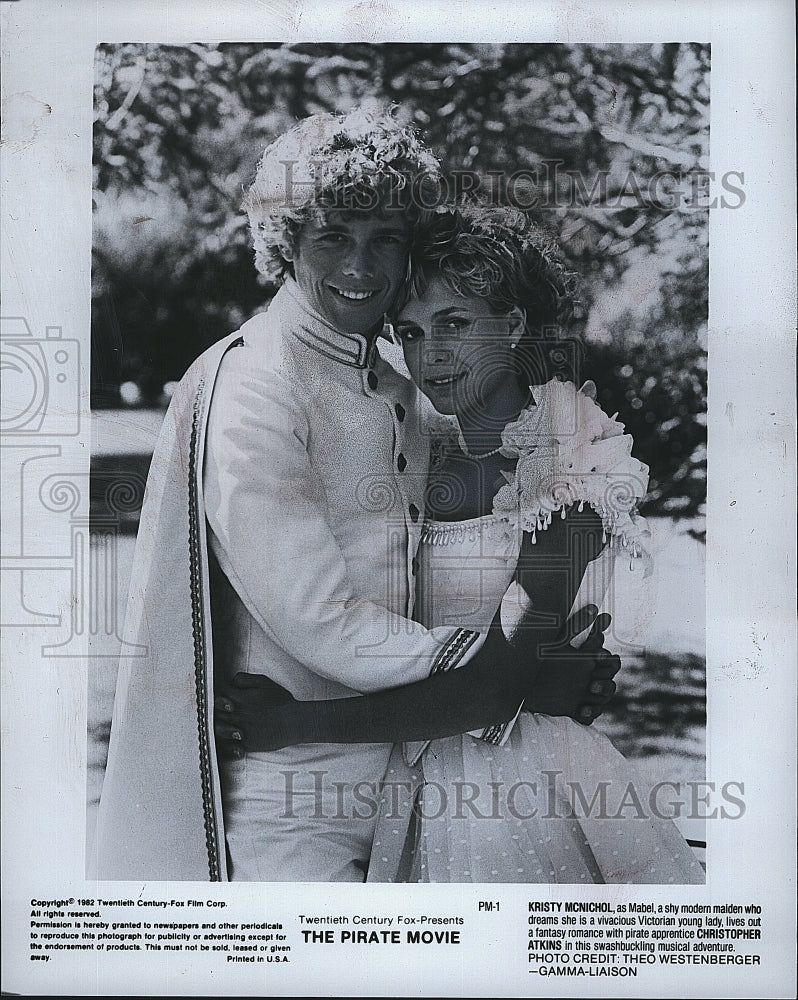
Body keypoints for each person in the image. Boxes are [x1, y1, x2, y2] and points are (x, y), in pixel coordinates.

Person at [91, 110, 614, 882]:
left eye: (386, 238)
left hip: (420, 771)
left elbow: (482, 547)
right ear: (286, 244)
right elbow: (315, 615)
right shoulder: (257, 384)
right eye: (335, 236)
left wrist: (550, 655)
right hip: (291, 783)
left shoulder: (402, 387)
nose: (362, 265)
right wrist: (512, 678)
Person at [217, 204, 704, 885]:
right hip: (410, 777)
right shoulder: (421, 455)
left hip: (518, 785)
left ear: (512, 327)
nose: (431, 355)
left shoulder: (568, 460)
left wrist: (293, 725)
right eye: (411, 332)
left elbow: (491, 692)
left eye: (455, 324)